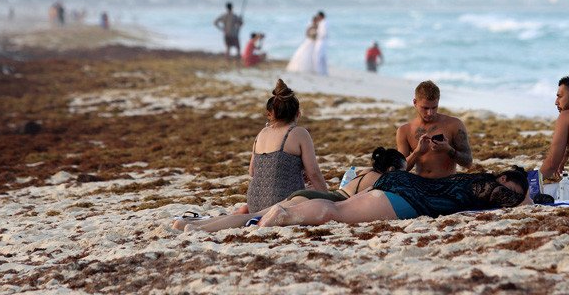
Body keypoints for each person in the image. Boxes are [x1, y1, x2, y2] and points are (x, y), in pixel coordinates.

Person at [175, 147, 406, 232]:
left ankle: (192, 225)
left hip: (310, 196)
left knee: (253, 215)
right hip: (318, 200)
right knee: (252, 217)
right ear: (392, 169)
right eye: (402, 171)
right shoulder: (381, 179)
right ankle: (198, 228)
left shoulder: (362, 172)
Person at [258, 166, 530, 228]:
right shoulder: (487, 185)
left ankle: (284, 212)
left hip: (401, 183)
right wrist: (529, 197)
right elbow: (508, 199)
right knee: (336, 213)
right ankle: (285, 215)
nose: (511, 196)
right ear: (503, 179)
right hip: (407, 199)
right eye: (513, 189)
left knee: (338, 206)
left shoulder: (474, 179)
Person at [245, 79, 329, 214]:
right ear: (298, 113)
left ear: (270, 114)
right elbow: (313, 173)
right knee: (315, 192)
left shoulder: (261, 133)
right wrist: (329, 199)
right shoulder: (299, 133)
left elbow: (252, 172)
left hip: (253, 202)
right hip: (281, 203)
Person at [396, 80, 473, 178]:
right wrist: (417, 153)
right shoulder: (404, 130)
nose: (430, 113)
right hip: (419, 183)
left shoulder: (454, 124)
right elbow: (400, 169)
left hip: (447, 182)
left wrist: (449, 150)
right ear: (415, 102)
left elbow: (468, 163)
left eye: (434, 107)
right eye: (425, 108)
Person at [312, 11, 328, 75]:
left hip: (321, 41)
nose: (318, 17)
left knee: (318, 56)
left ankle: (319, 71)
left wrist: (317, 36)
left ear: (321, 16)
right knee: (321, 56)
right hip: (321, 41)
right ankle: (322, 71)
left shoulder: (324, 23)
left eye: (318, 16)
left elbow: (324, 33)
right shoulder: (322, 23)